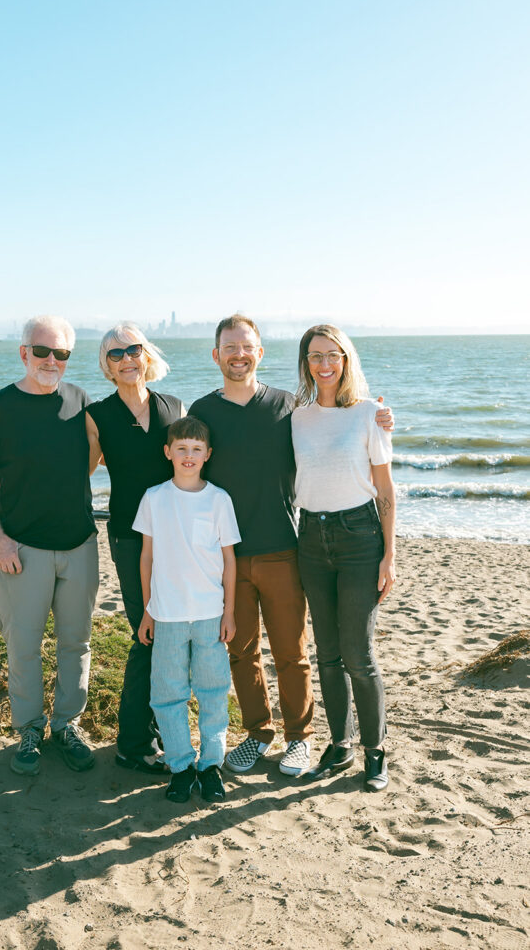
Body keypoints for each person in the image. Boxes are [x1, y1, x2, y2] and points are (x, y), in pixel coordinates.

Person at [189, 314, 394, 779]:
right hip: (227, 555)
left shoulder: (286, 408)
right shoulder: (202, 412)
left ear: (260, 353)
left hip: (285, 546)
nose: (239, 354)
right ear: (216, 354)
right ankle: (259, 733)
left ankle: (300, 738)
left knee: (292, 653)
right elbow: (184, 467)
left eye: (247, 346)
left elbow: (341, 434)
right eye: (230, 347)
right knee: (241, 651)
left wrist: (380, 417)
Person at [0, 315, 98, 777]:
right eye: (42, 351)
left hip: (80, 545)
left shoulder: (80, 399)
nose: (51, 361)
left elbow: (90, 459)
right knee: (23, 647)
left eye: (61, 353)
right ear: (24, 352)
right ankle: (29, 730)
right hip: (22, 552)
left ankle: (67, 726)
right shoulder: (0, 407)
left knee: (76, 644)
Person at [292, 324, 396, 792]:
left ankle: (375, 753)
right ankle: (340, 745)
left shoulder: (369, 415)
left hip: (359, 538)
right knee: (327, 655)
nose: (324, 364)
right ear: (306, 362)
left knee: (358, 653)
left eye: (332, 355)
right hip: (310, 538)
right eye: (315, 356)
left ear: (346, 359)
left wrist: (389, 554)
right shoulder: (296, 416)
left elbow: (385, 489)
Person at [86, 323, 183, 774]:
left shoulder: (174, 406)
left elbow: (197, 457)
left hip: (176, 534)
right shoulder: (97, 415)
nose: (126, 359)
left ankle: (160, 731)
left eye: (133, 349)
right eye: (115, 354)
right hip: (129, 535)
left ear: (146, 354)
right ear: (106, 366)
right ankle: (132, 743)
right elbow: (76, 471)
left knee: (173, 633)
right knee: (147, 632)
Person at [134, 416, 241, 803]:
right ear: (168, 452)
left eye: (197, 449)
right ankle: (181, 767)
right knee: (167, 693)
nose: (189, 455)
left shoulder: (219, 499)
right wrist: (148, 610)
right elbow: (146, 558)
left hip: (211, 613)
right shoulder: (154, 497)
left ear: (208, 454)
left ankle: (211, 765)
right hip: (167, 615)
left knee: (213, 691)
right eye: (181, 448)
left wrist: (229, 611)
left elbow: (230, 560)